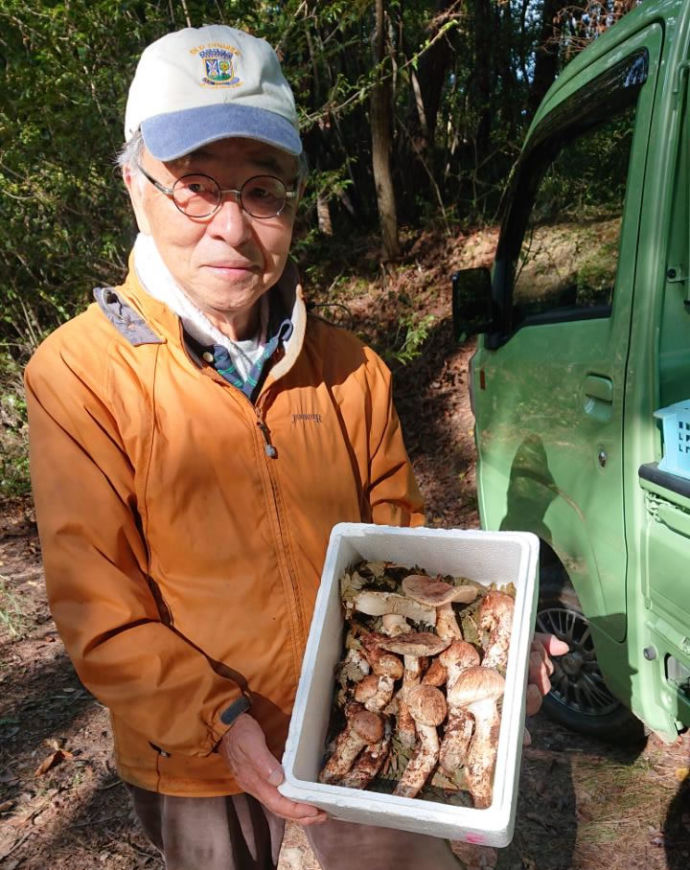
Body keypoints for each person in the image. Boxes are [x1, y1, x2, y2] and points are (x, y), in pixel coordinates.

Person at [25, 23, 566, 870]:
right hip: (197, 760)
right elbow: (100, 607)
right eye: (194, 187)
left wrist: (496, 631)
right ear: (136, 186)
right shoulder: (79, 376)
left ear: (294, 199)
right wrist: (221, 720)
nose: (232, 229)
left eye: (264, 190)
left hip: (357, 718)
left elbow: (405, 553)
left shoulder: (351, 369)